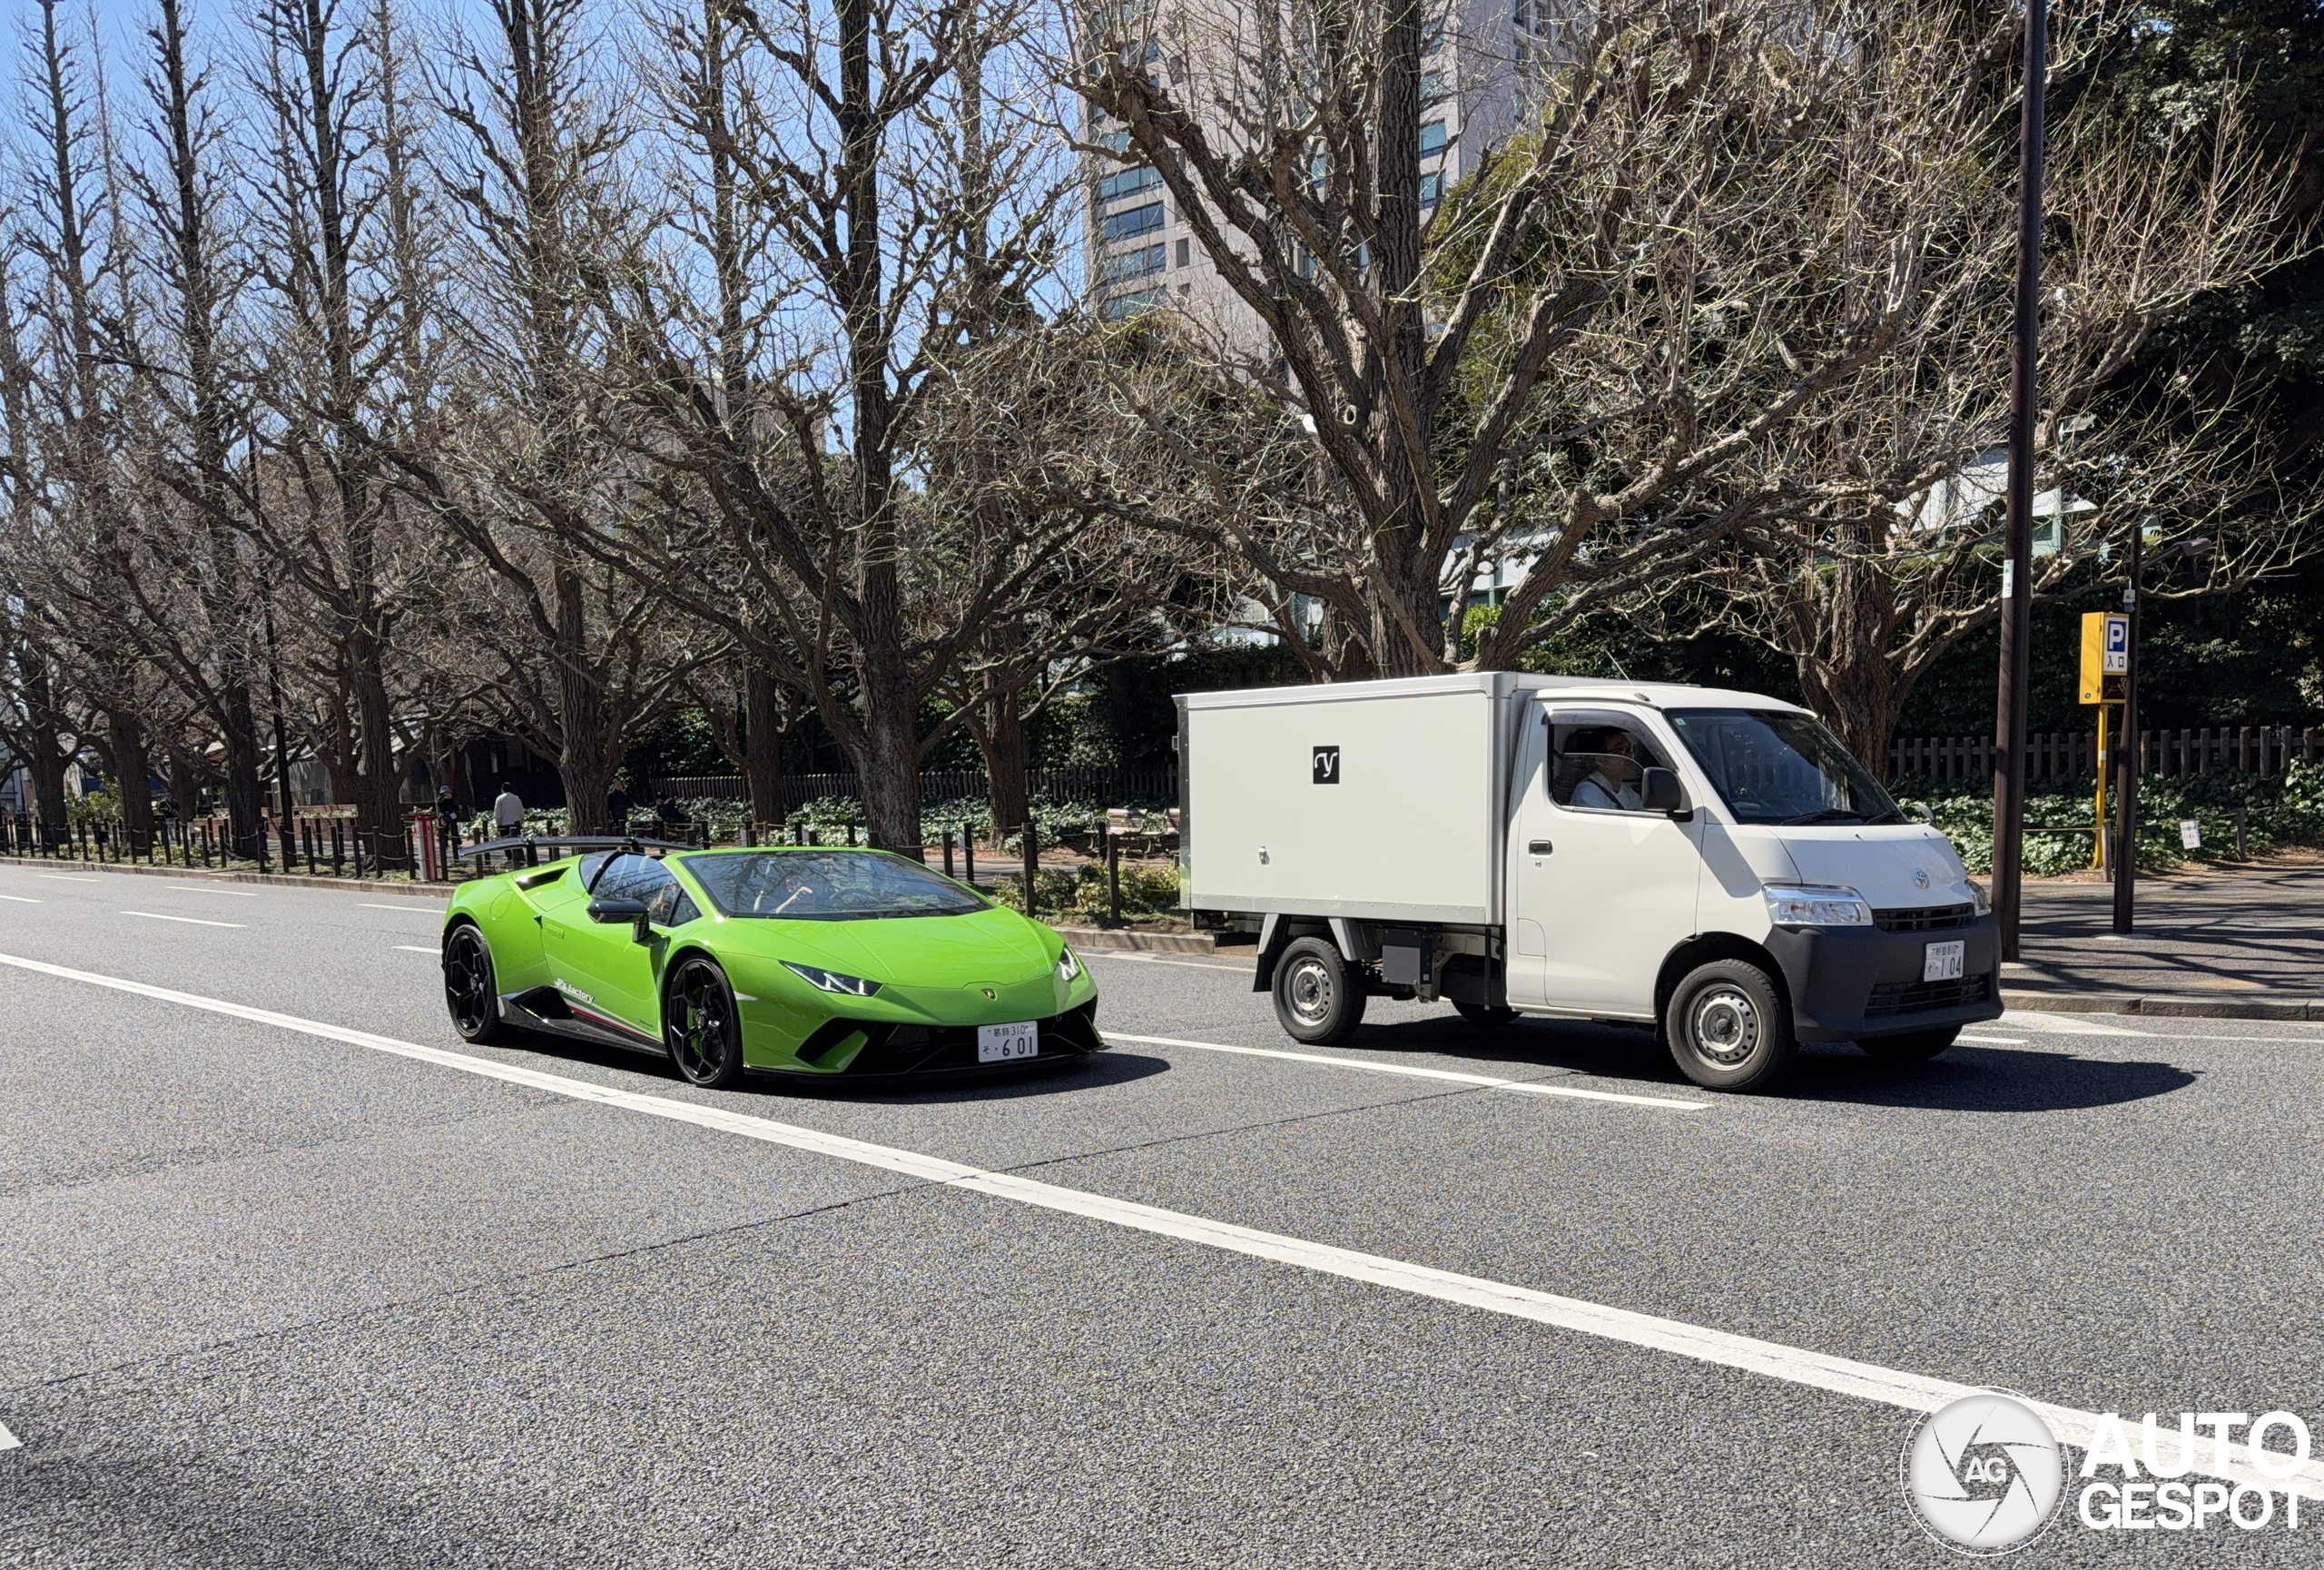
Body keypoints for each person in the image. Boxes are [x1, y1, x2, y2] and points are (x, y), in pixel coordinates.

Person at [1571, 728, 1645, 812]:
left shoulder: (1631, 795)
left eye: (1628, 749)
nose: (1628, 755)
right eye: (1620, 750)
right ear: (1600, 759)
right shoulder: (1588, 792)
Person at [492, 781, 531, 866]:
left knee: (506, 842)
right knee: (516, 841)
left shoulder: (500, 798)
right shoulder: (516, 798)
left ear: (502, 789)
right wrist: (521, 821)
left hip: (504, 823)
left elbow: (497, 813)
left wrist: (498, 823)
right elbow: (521, 811)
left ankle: (510, 858)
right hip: (515, 823)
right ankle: (519, 858)